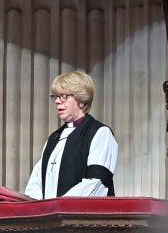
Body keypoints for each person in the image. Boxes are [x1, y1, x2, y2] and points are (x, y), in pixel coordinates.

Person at [24, 71, 118, 199]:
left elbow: (97, 182)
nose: (57, 101)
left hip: (83, 216)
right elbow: (36, 182)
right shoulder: (53, 138)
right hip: (51, 216)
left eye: (64, 96)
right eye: (55, 96)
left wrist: (60, 206)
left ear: (81, 101)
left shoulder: (100, 133)